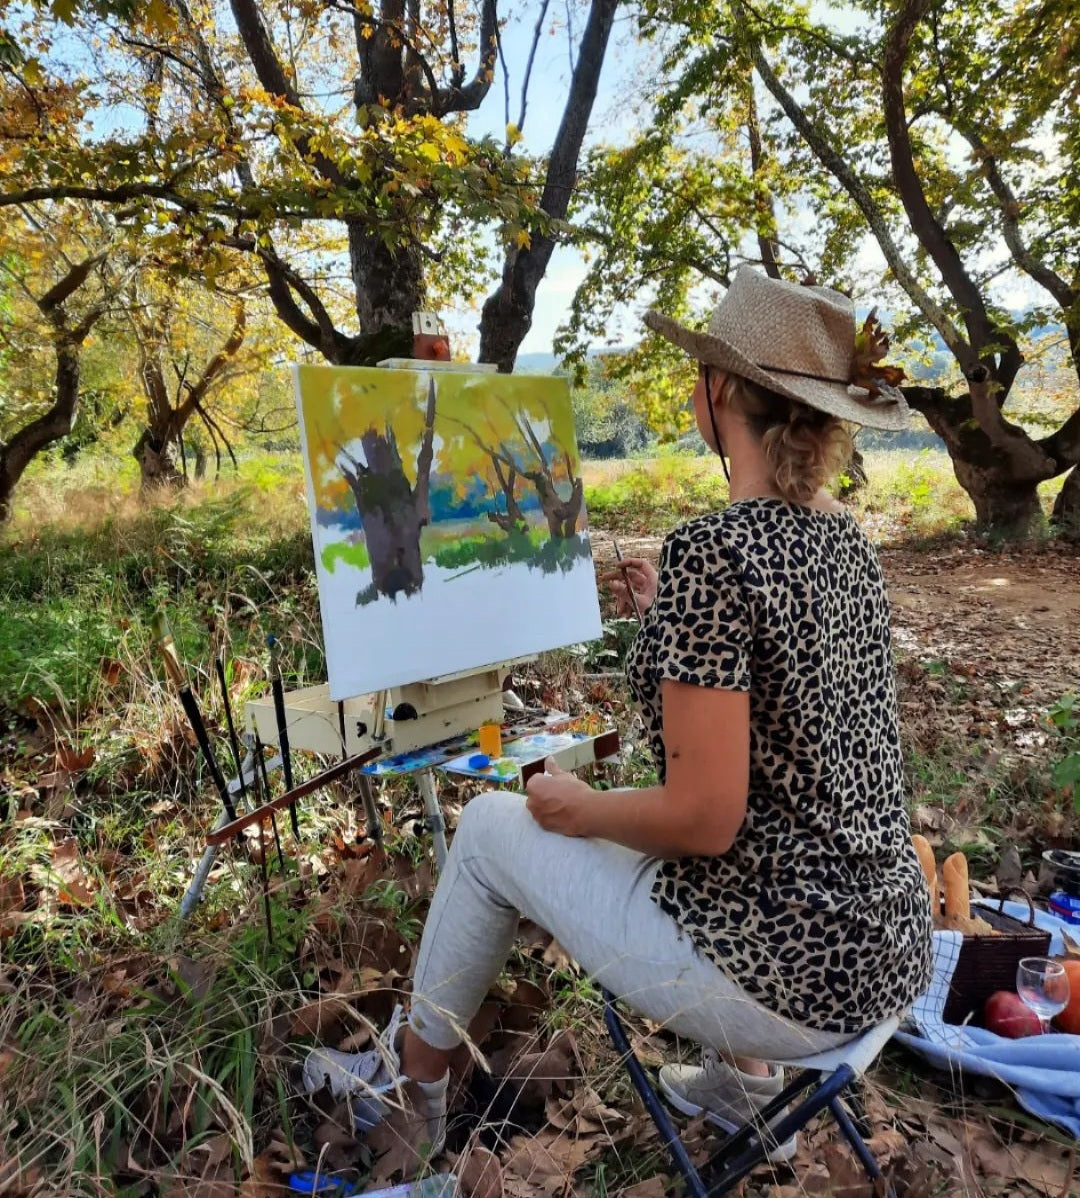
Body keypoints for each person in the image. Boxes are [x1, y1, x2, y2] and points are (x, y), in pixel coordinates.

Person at [302, 267, 934, 1170]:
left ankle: (413, 1105)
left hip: (787, 979)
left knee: (486, 827)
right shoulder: (845, 541)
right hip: (884, 951)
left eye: (698, 374)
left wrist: (575, 808)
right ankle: (747, 1085)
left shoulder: (716, 550)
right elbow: (782, 722)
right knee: (727, 847)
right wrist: (664, 622)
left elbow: (703, 820)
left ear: (720, 392)